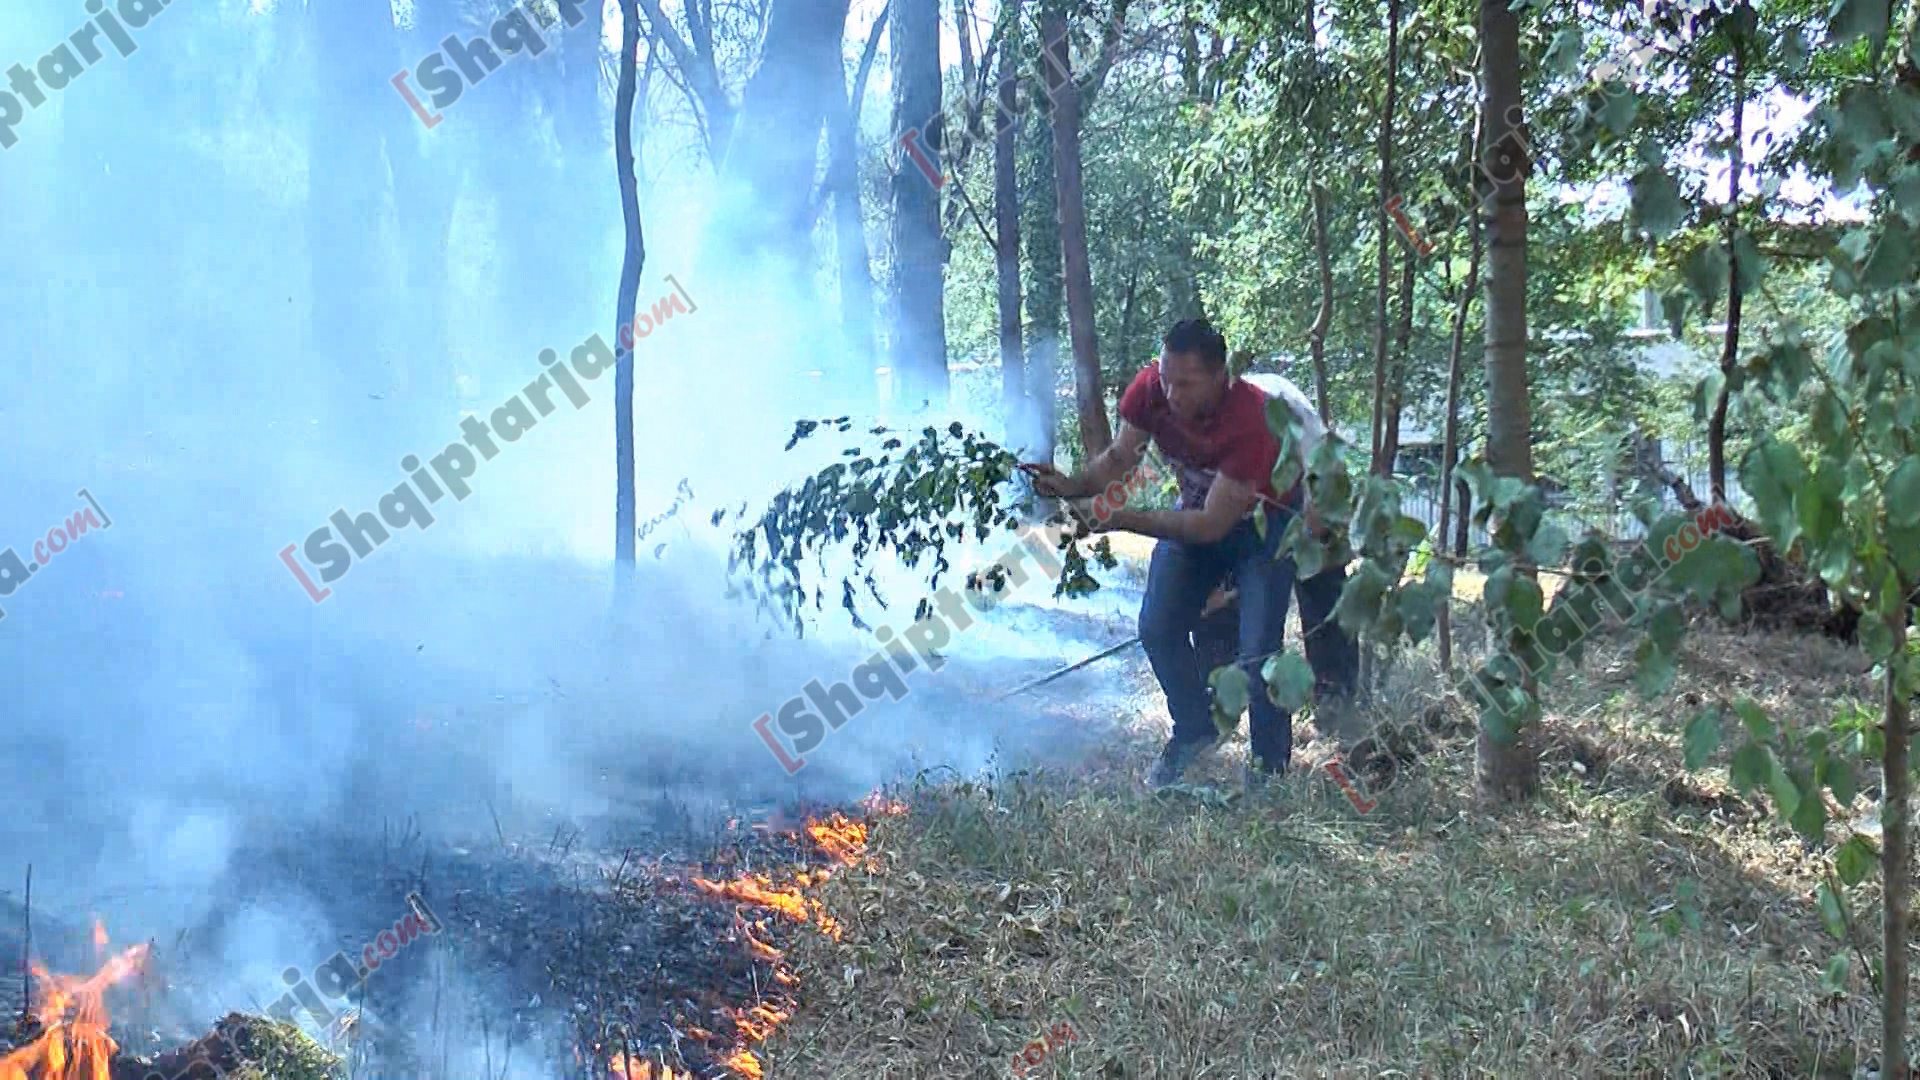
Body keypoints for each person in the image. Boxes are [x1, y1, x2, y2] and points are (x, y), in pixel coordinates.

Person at [1024, 319, 1354, 789]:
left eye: (1185, 384)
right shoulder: (1149, 390)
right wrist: (1072, 484)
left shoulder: (1252, 419)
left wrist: (1113, 518)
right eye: (1165, 379)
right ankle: (1194, 728)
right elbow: (1120, 458)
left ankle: (1268, 770)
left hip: (1263, 530)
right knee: (1157, 627)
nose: (1171, 394)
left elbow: (1210, 526)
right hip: (1198, 509)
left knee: (1259, 653)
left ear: (1220, 377)